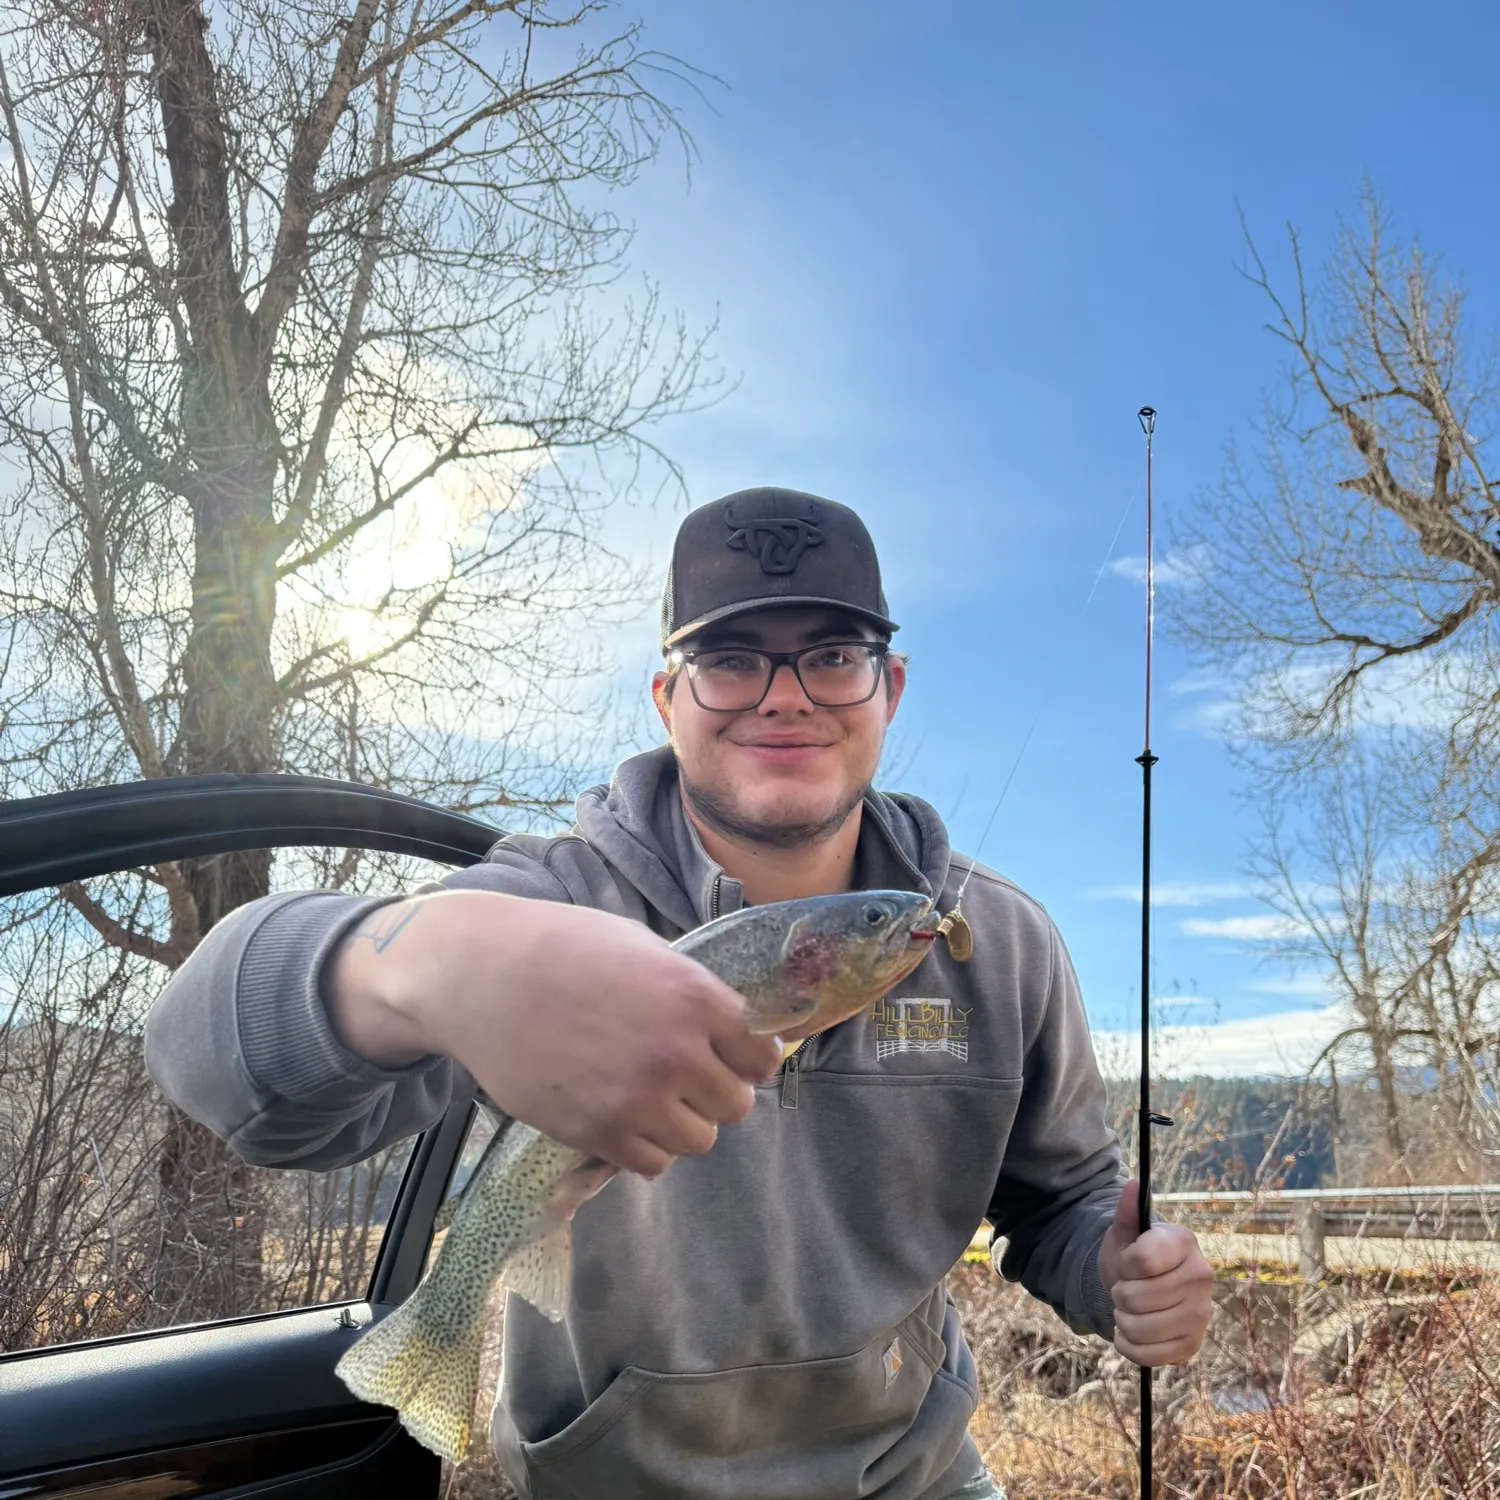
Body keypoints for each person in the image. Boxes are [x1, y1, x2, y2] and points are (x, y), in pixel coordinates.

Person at [145, 486, 1214, 1500]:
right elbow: (199, 1048)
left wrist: (1115, 1271)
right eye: (730, 658)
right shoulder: (547, 902)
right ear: (669, 699)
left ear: (888, 689)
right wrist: (413, 961)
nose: (784, 694)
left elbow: (1061, 1205)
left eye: (833, 656)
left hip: (915, 1477)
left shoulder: (1005, 942)